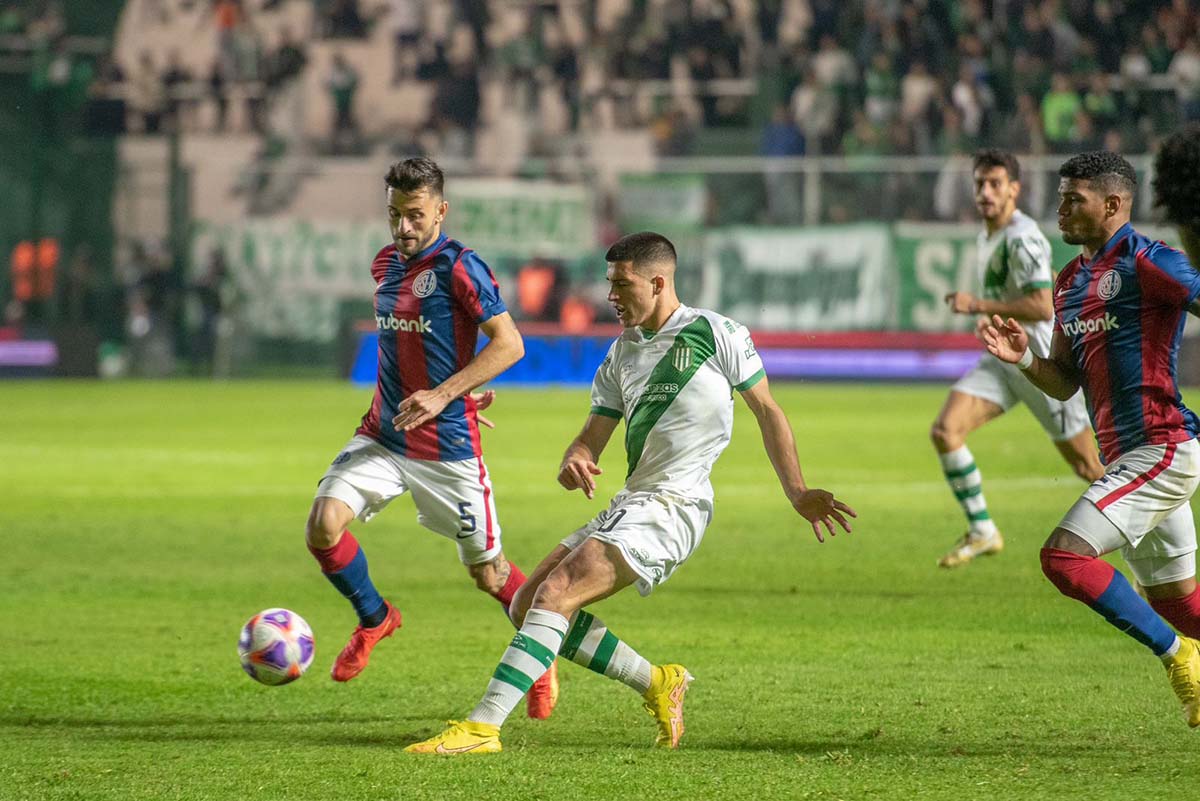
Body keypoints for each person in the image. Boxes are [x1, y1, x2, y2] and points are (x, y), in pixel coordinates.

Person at [404, 231, 856, 755]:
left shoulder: (715, 332)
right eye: (609, 284)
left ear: (658, 281)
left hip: (677, 504)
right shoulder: (620, 354)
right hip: (635, 499)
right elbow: (591, 437)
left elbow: (768, 410)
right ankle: (659, 683)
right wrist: (576, 457)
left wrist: (797, 491)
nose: (611, 296)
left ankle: (483, 727)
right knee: (528, 602)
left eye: (622, 284)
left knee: (557, 593)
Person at [304, 157, 558, 719]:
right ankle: (375, 618)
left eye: (415, 214)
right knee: (322, 524)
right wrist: (450, 387)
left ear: (441, 209)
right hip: (386, 432)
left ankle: (541, 658)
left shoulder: (462, 268)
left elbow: (510, 344)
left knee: (489, 574)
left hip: (447, 448)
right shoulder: (384, 265)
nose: (402, 227)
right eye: (394, 214)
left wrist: (449, 395)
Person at [982, 150, 1200, 726]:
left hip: (1163, 447)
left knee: (1063, 556)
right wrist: (1024, 357)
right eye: (1059, 197)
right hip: (1126, 459)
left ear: (1113, 203)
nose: (1059, 209)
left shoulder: (1152, 262)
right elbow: (1063, 383)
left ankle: (1182, 659)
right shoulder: (1069, 281)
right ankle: (1186, 639)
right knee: (1180, 604)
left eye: (1073, 199)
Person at [934, 149, 1103, 569]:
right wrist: (991, 317)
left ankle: (1151, 539)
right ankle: (982, 530)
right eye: (979, 184)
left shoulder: (1022, 238)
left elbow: (1042, 305)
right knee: (946, 431)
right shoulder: (990, 233)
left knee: (1088, 466)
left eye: (995, 184)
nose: (985, 193)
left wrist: (977, 305)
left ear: (1014, 189)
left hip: (1038, 363)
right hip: (1003, 357)